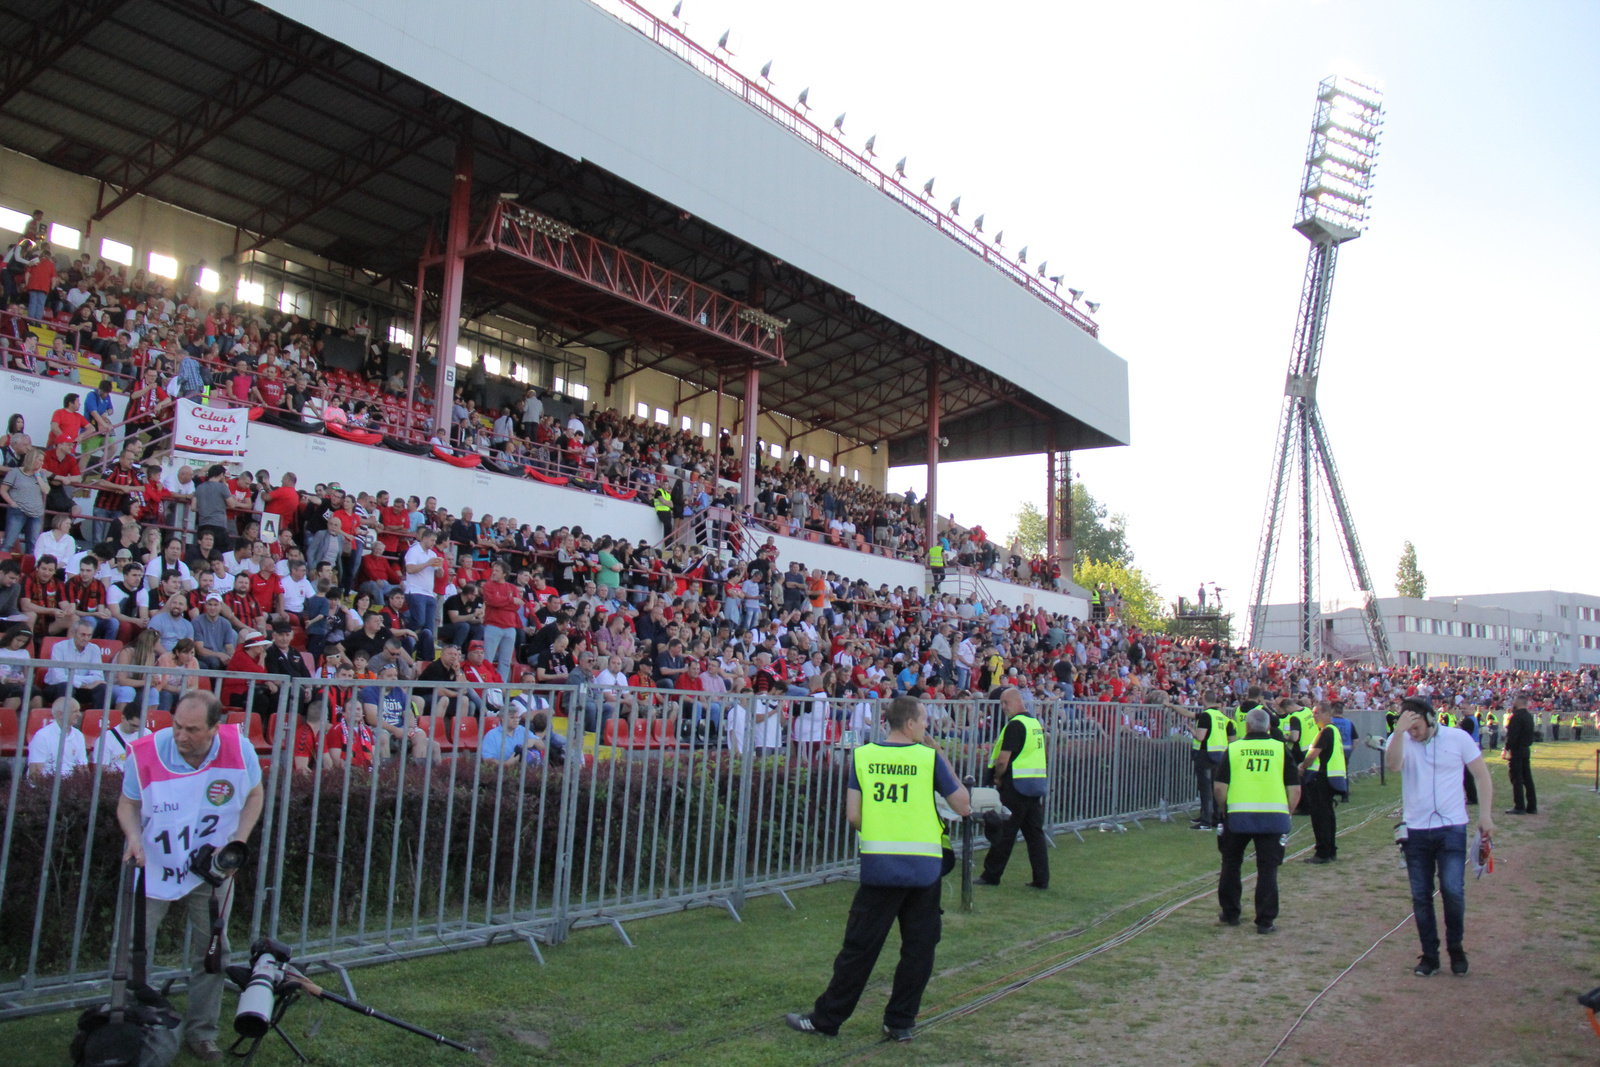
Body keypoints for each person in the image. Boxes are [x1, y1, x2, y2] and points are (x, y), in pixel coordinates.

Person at [786, 695, 970, 1042]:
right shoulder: (928, 757)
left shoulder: (864, 755)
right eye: (925, 720)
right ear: (911, 723)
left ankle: (827, 1019)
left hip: (880, 867)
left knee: (859, 949)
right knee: (919, 949)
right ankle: (899, 1022)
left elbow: (853, 815)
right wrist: (942, 759)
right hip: (923, 870)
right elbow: (963, 805)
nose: (928, 726)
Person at [117, 690, 263, 1062]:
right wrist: (133, 837)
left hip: (211, 868)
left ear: (216, 727)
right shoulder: (147, 751)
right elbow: (128, 804)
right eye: (177, 725)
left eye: (193, 730)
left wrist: (238, 843)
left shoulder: (239, 748)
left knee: (214, 951)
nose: (181, 735)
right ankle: (129, 1024)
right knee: (135, 947)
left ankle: (202, 1032)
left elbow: (254, 795)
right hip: (154, 865)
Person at [1385, 697, 1495, 977]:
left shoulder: (1458, 739)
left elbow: (1481, 775)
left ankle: (1455, 949)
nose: (1414, 733)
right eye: (1409, 728)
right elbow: (1393, 766)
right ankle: (1430, 955)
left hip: (1452, 827)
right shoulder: (1401, 739)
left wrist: (1485, 815)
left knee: (1452, 890)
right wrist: (1399, 733)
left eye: (1417, 727)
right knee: (1421, 896)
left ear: (1431, 719)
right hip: (1416, 830)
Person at [1213, 706, 1301, 934]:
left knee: (1231, 863)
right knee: (1268, 869)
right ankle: (1265, 920)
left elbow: (1220, 788)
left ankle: (1231, 913)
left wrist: (1225, 810)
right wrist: (1288, 812)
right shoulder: (1281, 749)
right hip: (1273, 816)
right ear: (1270, 727)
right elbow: (1295, 789)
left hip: (1239, 815)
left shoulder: (1234, 749)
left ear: (1247, 726)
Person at [974, 687, 1049, 889]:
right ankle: (1042, 878)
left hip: (1015, 786)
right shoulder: (1034, 723)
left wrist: (997, 778)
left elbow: (1003, 759)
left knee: (1005, 832)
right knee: (1035, 835)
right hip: (1034, 785)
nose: (1003, 708)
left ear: (1010, 702)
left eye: (1004, 704)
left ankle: (991, 875)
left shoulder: (1015, 725)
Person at [1297, 701, 1343, 864]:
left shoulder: (1325, 732)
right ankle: (1330, 850)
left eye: (1316, 713)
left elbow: (1312, 755)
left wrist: (1302, 767)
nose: (1314, 716)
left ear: (1327, 714)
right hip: (1331, 777)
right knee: (1328, 815)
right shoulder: (1334, 731)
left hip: (1322, 778)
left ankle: (1322, 852)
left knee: (1320, 817)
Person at [27, 695, 87, 784]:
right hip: (47, 787)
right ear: (60, 714)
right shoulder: (42, 736)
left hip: (72, 787)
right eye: (75, 711)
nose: (79, 714)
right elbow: (35, 773)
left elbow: (83, 769)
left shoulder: (78, 735)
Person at [1501, 696, 1537, 816]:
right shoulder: (1529, 716)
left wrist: (1506, 749)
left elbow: (1512, 736)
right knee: (1527, 778)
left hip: (1517, 751)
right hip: (1526, 749)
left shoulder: (1516, 717)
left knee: (1516, 778)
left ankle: (1519, 806)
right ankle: (1532, 806)